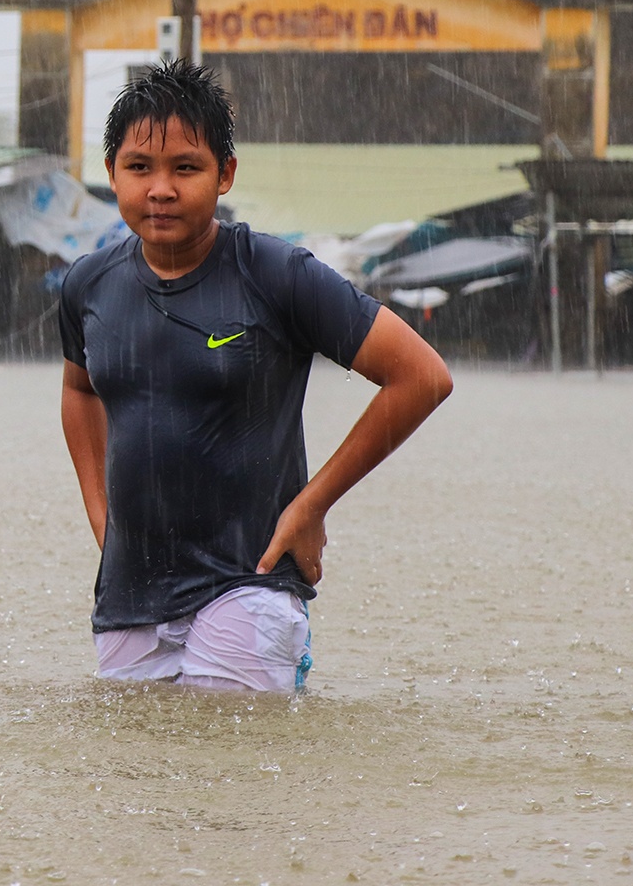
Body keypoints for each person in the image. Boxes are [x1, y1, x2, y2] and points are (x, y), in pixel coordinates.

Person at [58, 59, 452, 693]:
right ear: (111, 175)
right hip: (129, 592)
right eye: (139, 168)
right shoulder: (88, 285)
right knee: (131, 779)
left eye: (185, 167)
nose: (161, 188)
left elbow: (422, 377)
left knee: (236, 778)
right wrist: (102, 519)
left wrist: (312, 504)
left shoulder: (276, 274)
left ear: (224, 176)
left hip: (251, 579)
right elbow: (79, 392)